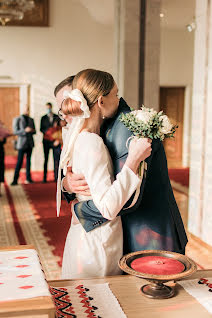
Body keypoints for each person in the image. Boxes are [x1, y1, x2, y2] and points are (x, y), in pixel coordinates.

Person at [56, 74, 188, 256]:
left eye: (70, 103)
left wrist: (80, 210)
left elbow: (128, 198)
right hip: (120, 233)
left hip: (148, 234)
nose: (67, 113)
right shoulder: (92, 127)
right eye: (62, 109)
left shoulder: (126, 126)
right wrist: (67, 184)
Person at [56, 69, 152, 279]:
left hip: (87, 234)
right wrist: (133, 160)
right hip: (96, 242)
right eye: (115, 94)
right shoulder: (92, 142)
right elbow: (107, 207)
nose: (119, 99)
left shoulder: (81, 136)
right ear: (101, 101)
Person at [11, 106, 36, 185]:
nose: (27, 110)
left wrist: (31, 130)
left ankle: (28, 178)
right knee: (19, 162)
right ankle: (15, 180)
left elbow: (35, 131)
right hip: (21, 144)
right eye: (25, 109)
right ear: (22, 109)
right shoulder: (17, 119)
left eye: (28, 109)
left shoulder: (31, 119)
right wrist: (24, 131)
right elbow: (15, 131)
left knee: (29, 162)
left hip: (30, 144)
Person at [40, 102, 59, 182]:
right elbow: (41, 129)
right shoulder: (43, 118)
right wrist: (48, 132)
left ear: (51, 107)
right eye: (47, 108)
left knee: (56, 159)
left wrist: (56, 138)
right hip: (46, 141)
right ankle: (44, 177)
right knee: (46, 159)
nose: (49, 109)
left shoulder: (56, 117)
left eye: (49, 108)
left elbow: (59, 128)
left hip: (55, 141)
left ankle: (56, 177)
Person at [0, 121, 12, 195]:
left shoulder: (1, 126)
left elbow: (6, 136)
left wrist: (2, 139)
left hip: (0, 151)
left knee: (0, 169)